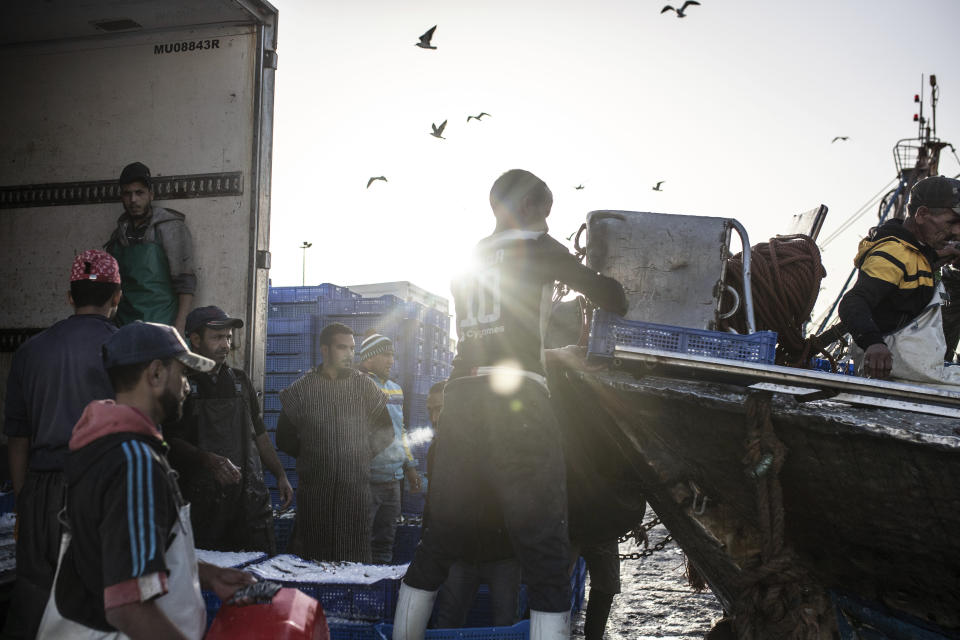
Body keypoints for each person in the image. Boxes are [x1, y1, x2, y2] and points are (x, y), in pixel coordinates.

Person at [396, 169, 628, 640]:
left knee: (438, 540)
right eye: (544, 212)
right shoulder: (542, 249)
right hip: (519, 398)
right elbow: (614, 298)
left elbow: (495, 337)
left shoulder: (471, 256)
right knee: (544, 544)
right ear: (526, 208)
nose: (546, 223)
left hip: (462, 396)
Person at [36, 321, 256, 639]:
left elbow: (119, 552)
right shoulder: (134, 460)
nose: (186, 388)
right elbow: (128, 607)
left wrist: (208, 575)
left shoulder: (103, 444)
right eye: (182, 375)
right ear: (155, 374)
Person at [1, 250, 122, 640]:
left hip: (40, 491)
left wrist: (24, 502)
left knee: (33, 600)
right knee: (97, 607)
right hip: (100, 493)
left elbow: (17, 436)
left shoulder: (30, 351)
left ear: (70, 297)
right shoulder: (127, 350)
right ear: (117, 296)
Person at [165, 306, 293, 554]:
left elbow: (260, 434)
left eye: (228, 337)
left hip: (246, 502)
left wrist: (280, 474)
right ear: (195, 340)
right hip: (201, 504)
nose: (225, 345)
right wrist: (206, 460)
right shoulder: (181, 383)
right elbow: (169, 440)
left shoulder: (240, 380)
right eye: (217, 337)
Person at [276, 322, 393, 563]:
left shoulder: (365, 387)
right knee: (312, 562)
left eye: (352, 348)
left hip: (355, 496)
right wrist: (315, 456)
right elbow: (284, 438)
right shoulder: (302, 389)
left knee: (354, 563)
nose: (350, 354)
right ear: (325, 350)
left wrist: (360, 454)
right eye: (343, 348)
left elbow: (386, 431)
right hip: (315, 496)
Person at [838, 175, 960, 379]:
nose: (958, 231)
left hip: (918, 370)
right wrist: (874, 343)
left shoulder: (918, 253)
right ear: (922, 214)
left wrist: (942, 255)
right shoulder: (894, 254)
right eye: (952, 222)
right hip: (902, 373)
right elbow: (853, 301)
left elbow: (919, 264)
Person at [427, 381, 522, 629]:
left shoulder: (501, 441)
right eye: (430, 411)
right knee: (449, 619)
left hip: (504, 555)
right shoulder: (437, 451)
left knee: (505, 624)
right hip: (460, 556)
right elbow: (434, 503)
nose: (434, 418)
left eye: (440, 409)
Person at [105, 162, 196, 333]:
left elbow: (186, 284)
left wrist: (179, 328)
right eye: (127, 194)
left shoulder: (170, 228)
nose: (133, 200)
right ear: (121, 198)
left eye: (139, 193)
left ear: (151, 195)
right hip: (125, 328)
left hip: (162, 327)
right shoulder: (118, 235)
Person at [357, 332, 423, 564]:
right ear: (369, 359)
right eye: (385, 355)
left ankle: (380, 585)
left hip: (393, 481)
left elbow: (401, 431)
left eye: (392, 355)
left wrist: (410, 467)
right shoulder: (358, 385)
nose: (391, 360)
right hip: (366, 481)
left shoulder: (396, 389)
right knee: (360, 542)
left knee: (385, 541)